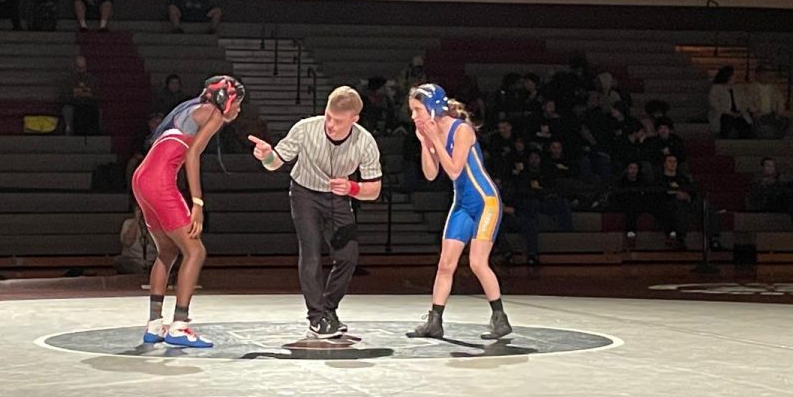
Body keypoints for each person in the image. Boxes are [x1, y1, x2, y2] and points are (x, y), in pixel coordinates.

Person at [249, 86, 383, 339]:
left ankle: (328, 310)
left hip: (339, 197)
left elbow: (374, 190)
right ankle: (316, 318)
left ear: (354, 120)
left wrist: (352, 187)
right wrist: (266, 156)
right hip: (305, 193)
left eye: (339, 121)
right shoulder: (305, 128)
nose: (330, 125)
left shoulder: (365, 142)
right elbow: (274, 163)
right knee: (310, 252)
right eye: (328, 116)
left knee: (348, 256)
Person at [131, 75, 246, 348]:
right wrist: (198, 203)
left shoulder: (189, 107)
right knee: (195, 251)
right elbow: (193, 155)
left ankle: (154, 325)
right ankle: (180, 326)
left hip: (140, 179)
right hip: (159, 181)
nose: (239, 110)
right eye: (238, 103)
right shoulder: (213, 114)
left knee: (167, 252)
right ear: (225, 100)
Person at [404, 84, 512, 340]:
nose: (413, 117)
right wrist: (424, 141)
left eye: (417, 110)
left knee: (477, 262)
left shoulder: (461, 129)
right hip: (462, 204)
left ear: (432, 108)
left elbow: (453, 170)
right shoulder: (432, 131)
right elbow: (431, 174)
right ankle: (434, 321)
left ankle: (500, 318)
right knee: (445, 264)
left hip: (485, 202)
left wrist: (435, 140)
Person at [747, 157, 793, 230]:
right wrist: (767, 184)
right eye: (768, 166)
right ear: (762, 167)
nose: (770, 168)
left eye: (772, 166)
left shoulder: (778, 180)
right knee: (791, 200)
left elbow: (784, 187)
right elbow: (757, 197)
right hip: (767, 203)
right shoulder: (756, 181)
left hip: (780, 200)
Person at [708, 65, 753, 139]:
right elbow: (714, 104)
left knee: (744, 125)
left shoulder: (738, 88)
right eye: (734, 75)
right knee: (727, 121)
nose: (736, 76)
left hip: (738, 113)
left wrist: (741, 111)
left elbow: (744, 101)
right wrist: (728, 112)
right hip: (724, 113)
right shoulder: (716, 88)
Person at [114, 204, 158, 275]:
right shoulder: (128, 223)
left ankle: (147, 273)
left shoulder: (157, 225)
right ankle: (142, 274)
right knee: (119, 260)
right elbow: (128, 242)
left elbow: (157, 245)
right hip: (133, 261)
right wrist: (136, 221)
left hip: (151, 262)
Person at [749, 66, 790, 139]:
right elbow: (748, 102)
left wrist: (779, 112)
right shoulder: (751, 88)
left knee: (785, 120)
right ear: (757, 75)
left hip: (772, 114)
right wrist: (754, 111)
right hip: (758, 114)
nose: (765, 77)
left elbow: (780, 101)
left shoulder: (774, 89)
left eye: (766, 75)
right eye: (763, 74)